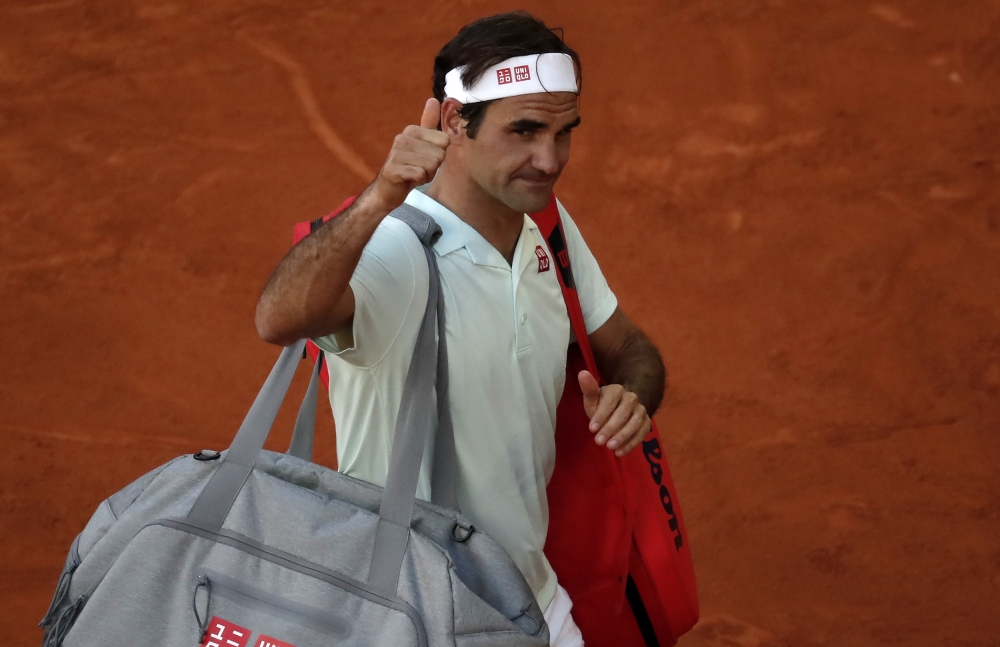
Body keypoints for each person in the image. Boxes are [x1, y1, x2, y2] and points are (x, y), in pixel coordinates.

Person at [254, 11, 666, 647]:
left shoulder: (548, 231)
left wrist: (632, 395)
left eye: (563, 133)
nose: (549, 159)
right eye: (524, 131)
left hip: (530, 600)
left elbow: (630, 347)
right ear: (453, 121)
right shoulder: (395, 254)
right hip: (410, 613)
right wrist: (379, 196)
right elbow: (275, 319)